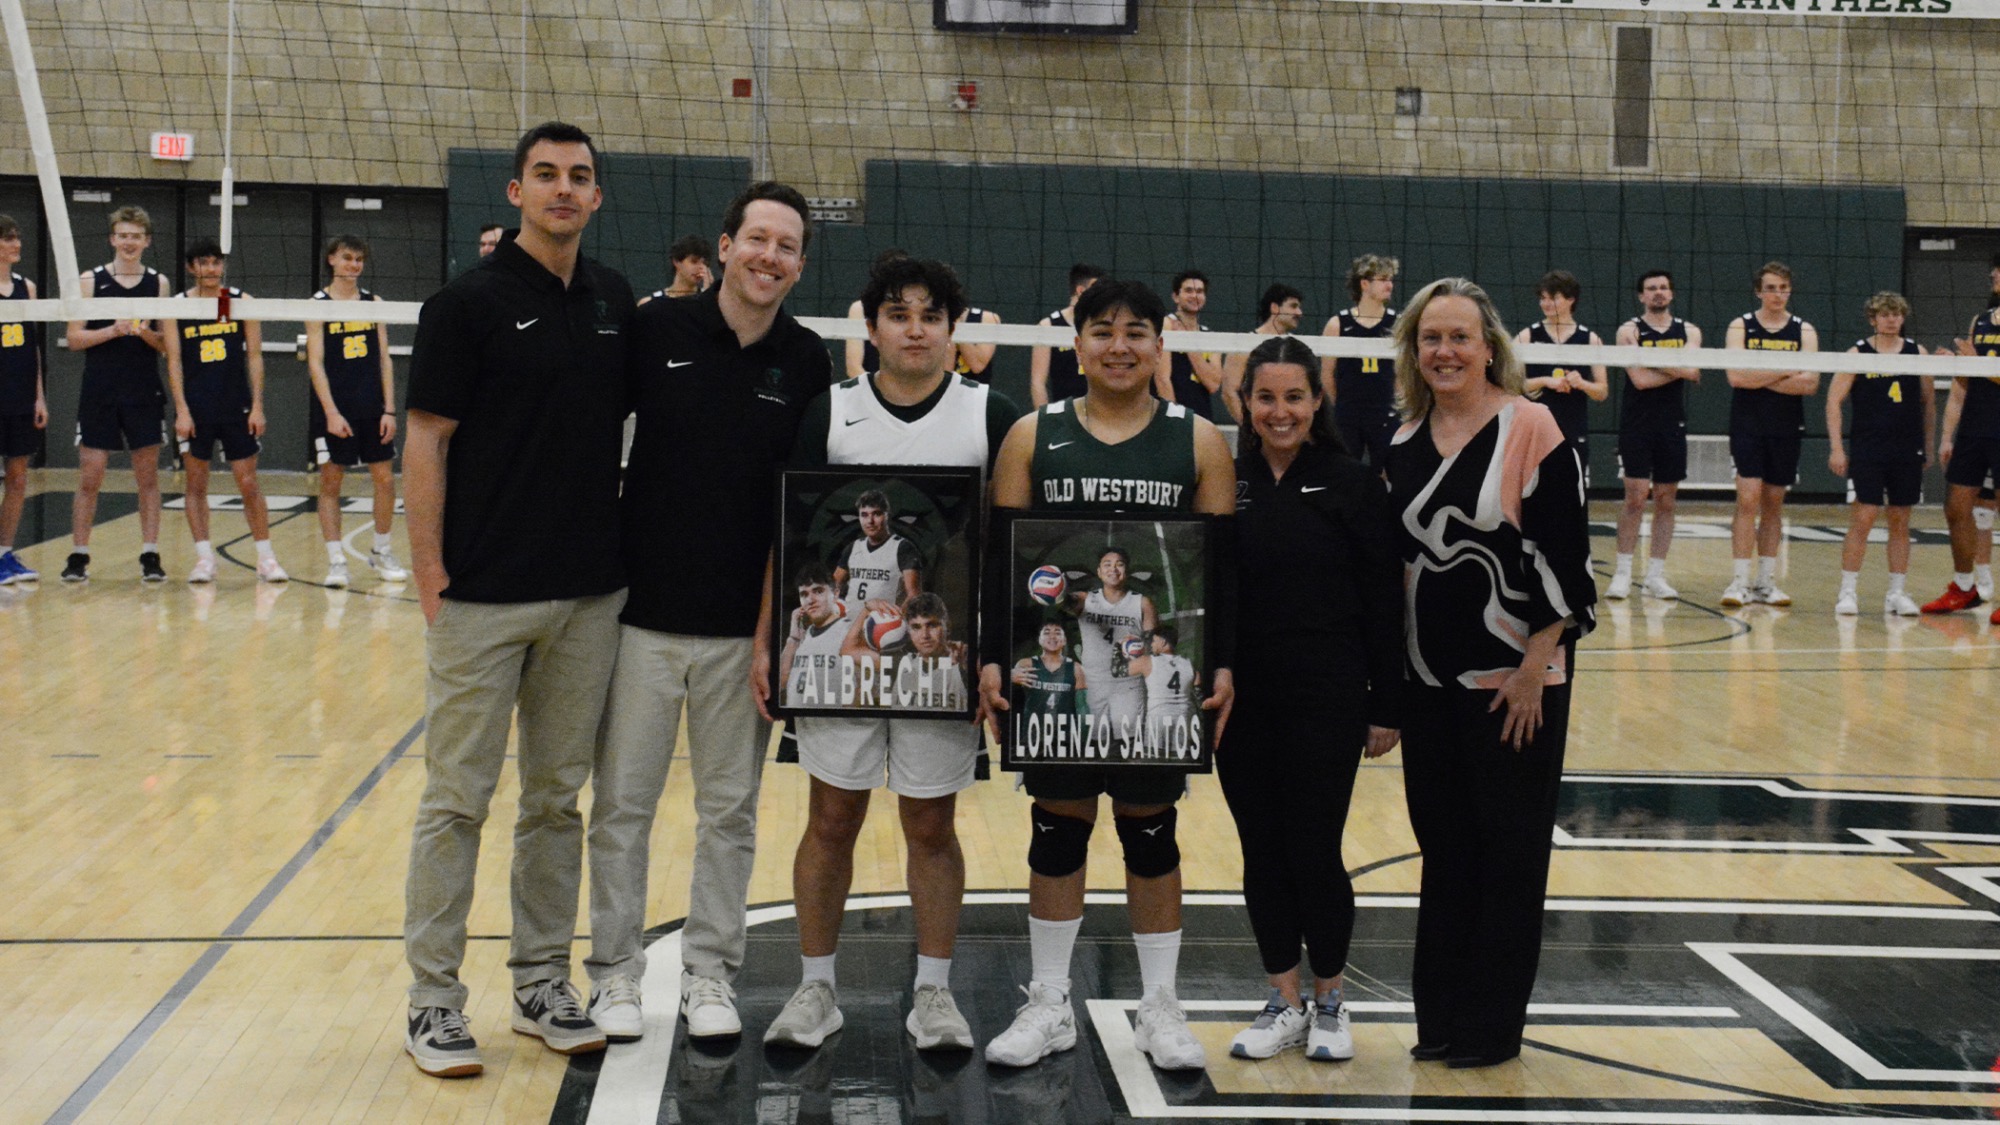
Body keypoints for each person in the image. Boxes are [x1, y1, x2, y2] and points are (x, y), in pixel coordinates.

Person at [399, 121, 637, 1078]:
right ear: (515, 193)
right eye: (546, 175)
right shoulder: (465, 305)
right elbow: (425, 439)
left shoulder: (617, 299)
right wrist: (429, 576)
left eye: (579, 177)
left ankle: (542, 979)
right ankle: (433, 1000)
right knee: (456, 798)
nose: (563, 190)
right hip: (485, 597)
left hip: (588, 597)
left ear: (597, 195)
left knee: (554, 800)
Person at [584, 180, 832, 1043]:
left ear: (801, 265)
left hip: (742, 633)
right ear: (724, 246)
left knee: (730, 810)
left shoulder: (806, 362)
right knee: (623, 806)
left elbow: (802, 512)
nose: (769, 255)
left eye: (786, 245)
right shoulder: (655, 331)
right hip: (640, 619)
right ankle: (614, 973)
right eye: (756, 237)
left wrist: (781, 634)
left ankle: (709, 974)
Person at [976, 278, 1236, 1072]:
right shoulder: (1032, 433)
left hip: (1153, 682)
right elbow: (1002, 556)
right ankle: (1049, 1000)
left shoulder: (1197, 440)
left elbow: (1220, 568)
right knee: (1057, 826)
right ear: (1074, 342)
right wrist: (993, 654)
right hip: (1064, 677)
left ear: (1162, 344)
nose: (1118, 345)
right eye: (1101, 330)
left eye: (1135, 332)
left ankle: (1160, 1005)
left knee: (1151, 830)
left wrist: (1221, 661)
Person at [761, 254, 1018, 1054]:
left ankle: (934, 995)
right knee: (831, 818)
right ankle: (817, 989)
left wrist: (995, 656)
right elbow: (792, 536)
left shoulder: (992, 412)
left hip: (940, 659)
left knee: (930, 825)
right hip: (841, 660)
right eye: (898, 313)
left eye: (931, 315)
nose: (915, 327)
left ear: (953, 329)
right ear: (870, 326)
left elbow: (1011, 547)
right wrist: (773, 637)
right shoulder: (829, 411)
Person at [1384, 277, 1595, 1070]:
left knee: (1508, 855)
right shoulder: (1402, 439)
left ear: (1488, 346)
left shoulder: (1531, 425)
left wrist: (1536, 666)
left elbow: (1567, 559)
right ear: (1414, 350)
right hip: (1427, 685)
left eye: (1459, 337)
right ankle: (1438, 1019)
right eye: (1430, 338)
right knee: (1443, 852)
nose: (1444, 351)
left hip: (1514, 687)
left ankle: (1489, 1028)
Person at [1220, 334, 1402, 1063]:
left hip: (1327, 694)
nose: (1280, 410)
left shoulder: (1352, 482)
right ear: (1247, 404)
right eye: (1266, 397)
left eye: (1294, 396)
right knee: (1260, 848)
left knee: (1313, 847)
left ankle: (1330, 999)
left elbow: (1385, 598)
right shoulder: (1225, 480)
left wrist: (1386, 702)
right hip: (1240, 700)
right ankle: (1283, 999)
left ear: (1317, 401)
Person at [162, 238, 285, 584]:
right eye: (204, 263)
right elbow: (173, 360)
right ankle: (204, 559)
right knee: (195, 484)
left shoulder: (239, 302)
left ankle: (266, 558)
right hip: (197, 408)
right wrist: (182, 410)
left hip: (236, 405)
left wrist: (258, 405)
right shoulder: (176, 307)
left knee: (248, 483)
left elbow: (255, 356)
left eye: (216, 262)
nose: (211, 269)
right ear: (191, 267)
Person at [62, 205, 170, 583]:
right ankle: (78, 555)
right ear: (112, 238)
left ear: (146, 241)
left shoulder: (158, 283)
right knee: (90, 476)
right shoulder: (90, 281)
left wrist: (143, 333)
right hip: (100, 390)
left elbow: (165, 345)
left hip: (143, 391)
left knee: (148, 479)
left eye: (136, 236)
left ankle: (150, 554)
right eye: (123, 235)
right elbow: (74, 338)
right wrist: (113, 329)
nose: (129, 242)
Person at [306, 235, 406, 588]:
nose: (353, 265)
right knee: (331, 482)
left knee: (385, 480)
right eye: (347, 258)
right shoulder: (317, 304)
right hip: (335, 410)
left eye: (359, 259)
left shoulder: (372, 302)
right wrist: (331, 412)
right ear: (331, 259)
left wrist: (390, 410)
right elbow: (315, 363)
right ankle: (336, 561)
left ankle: (381, 550)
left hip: (372, 407)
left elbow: (384, 358)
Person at [1826, 293, 1931, 617]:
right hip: (1869, 448)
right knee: (1864, 518)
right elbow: (1833, 401)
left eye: (1896, 314)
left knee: (1901, 521)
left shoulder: (1917, 352)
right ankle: (1847, 592)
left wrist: (1927, 444)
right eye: (1884, 314)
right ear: (1873, 318)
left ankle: (1897, 593)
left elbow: (1928, 402)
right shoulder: (1858, 352)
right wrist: (1837, 448)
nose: (1891, 319)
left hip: (1906, 448)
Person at [1721, 262, 1819, 608]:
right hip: (1748, 423)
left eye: (1783, 288)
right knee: (1748, 499)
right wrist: (1786, 370)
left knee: (1774, 504)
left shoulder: (1803, 330)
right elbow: (1736, 377)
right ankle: (1739, 582)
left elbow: (1810, 383)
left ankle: (1766, 581)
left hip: (1786, 426)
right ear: (1758, 291)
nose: (1778, 294)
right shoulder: (1741, 325)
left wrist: (1760, 373)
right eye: (1771, 288)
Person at [1608, 271, 1701, 601]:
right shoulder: (1628, 330)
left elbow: (1694, 372)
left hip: (1671, 424)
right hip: (1637, 423)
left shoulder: (1689, 330)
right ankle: (1622, 574)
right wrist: (1677, 366)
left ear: (1671, 294)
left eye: (1663, 288)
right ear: (1641, 296)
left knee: (1666, 500)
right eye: (1651, 289)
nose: (1658, 293)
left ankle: (1656, 576)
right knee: (1634, 498)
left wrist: (1650, 358)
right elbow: (1640, 380)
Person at [1922, 279, 2000, 619]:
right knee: (1955, 508)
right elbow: (1965, 382)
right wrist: (1956, 363)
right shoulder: (1980, 320)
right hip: (1974, 428)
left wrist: (1979, 361)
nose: (1995, 278)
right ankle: (1965, 587)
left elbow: (1982, 367)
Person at [1516, 270, 1608, 477]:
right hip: (1536, 428)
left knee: (1573, 492)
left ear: (1570, 299)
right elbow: (1510, 384)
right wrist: (1545, 381)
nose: (1546, 303)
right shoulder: (1527, 336)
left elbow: (1602, 392)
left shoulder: (1590, 339)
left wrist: (1582, 383)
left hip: (1573, 427)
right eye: (1543, 298)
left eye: (1553, 298)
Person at [1320, 255, 1400, 469]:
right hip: (1348, 414)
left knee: (1389, 473)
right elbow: (1326, 375)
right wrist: (1341, 408)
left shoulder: (1397, 324)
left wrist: (1396, 405)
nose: (1389, 285)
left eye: (1391, 279)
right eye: (1383, 279)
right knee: (1344, 471)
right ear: (1365, 283)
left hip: (1385, 413)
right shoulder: (1338, 324)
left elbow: (1402, 374)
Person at [0, 214, 46, 585]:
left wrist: (40, 398)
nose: (16, 244)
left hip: (20, 399)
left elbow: (33, 349)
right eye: (8, 239)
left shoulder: (25, 287)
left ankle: (4, 554)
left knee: (17, 478)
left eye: (17, 237)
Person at [1219, 284, 1304, 422]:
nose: (1299, 313)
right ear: (1275, 308)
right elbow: (1229, 392)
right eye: (1293, 306)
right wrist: (1251, 427)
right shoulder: (1244, 345)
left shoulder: (1295, 347)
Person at [1029, 263, 1107, 406]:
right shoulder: (1048, 326)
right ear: (1080, 291)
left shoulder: (1104, 326)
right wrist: (1045, 421)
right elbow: (1037, 383)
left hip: (1101, 413)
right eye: (1097, 291)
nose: (1101, 297)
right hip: (1064, 413)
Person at [834, 488, 919, 615]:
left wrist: (895, 621)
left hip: (883, 628)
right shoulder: (853, 547)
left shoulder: (902, 547)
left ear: (887, 515)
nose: (870, 521)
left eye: (876, 514)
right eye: (864, 515)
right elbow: (834, 583)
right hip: (850, 626)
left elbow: (914, 595)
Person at [1159, 270, 1220, 419]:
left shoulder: (1210, 336)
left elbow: (1213, 385)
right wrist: (1173, 419)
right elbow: (1162, 379)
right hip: (1173, 415)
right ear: (1175, 297)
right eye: (1188, 290)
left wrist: (1186, 342)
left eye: (1199, 291)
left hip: (1202, 416)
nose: (1195, 296)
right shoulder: (1166, 325)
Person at [639, 234, 713, 304]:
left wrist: (708, 296)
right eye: (694, 261)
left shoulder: (712, 300)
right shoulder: (651, 303)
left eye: (704, 263)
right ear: (676, 261)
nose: (701, 267)